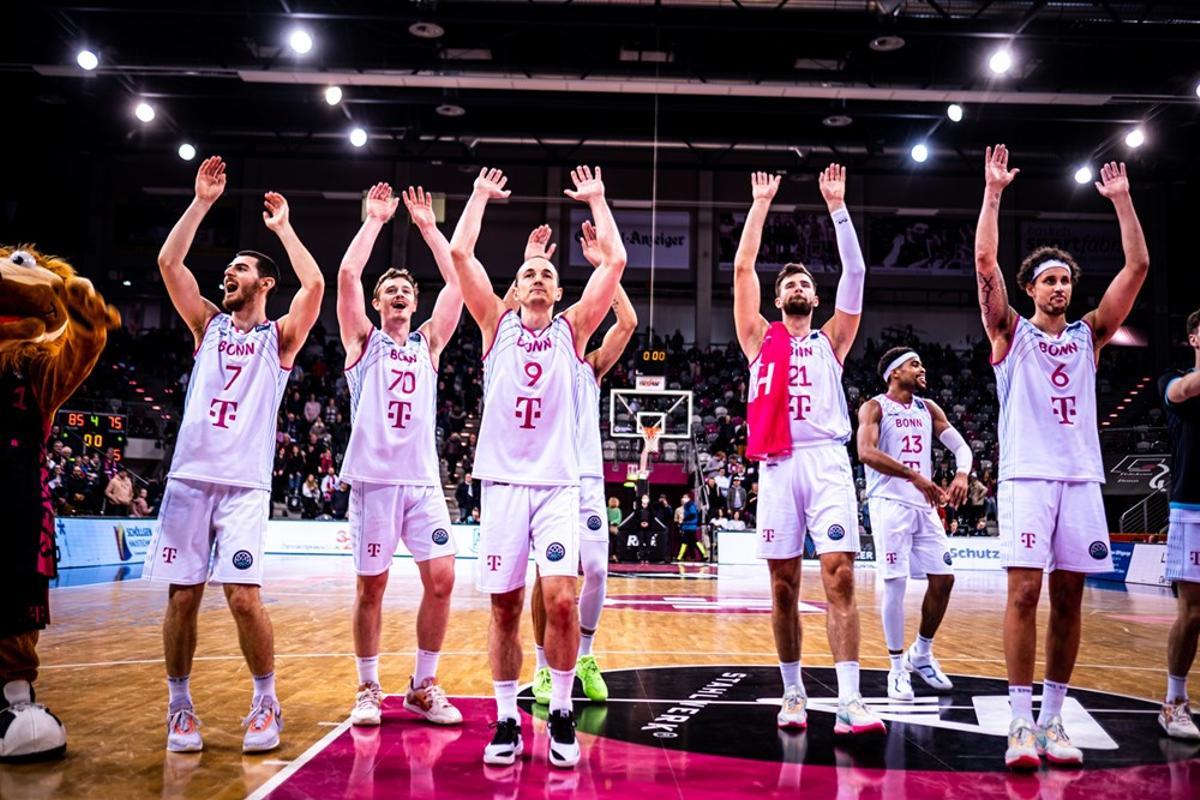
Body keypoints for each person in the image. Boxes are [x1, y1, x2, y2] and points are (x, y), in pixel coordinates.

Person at [143, 155, 325, 754]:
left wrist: (284, 230)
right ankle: (179, 708)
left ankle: (265, 701)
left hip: (245, 485)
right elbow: (170, 264)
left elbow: (316, 286)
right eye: (228, 267)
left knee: (244, 598)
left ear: (264, 283)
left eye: (240, 268)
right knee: (182, 596)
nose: (229, 273)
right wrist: (201, 203)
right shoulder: (208, 327)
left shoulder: (281, 340)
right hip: (190, 479)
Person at [974, 147, 1149, 769]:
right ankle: (1019, 721)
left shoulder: (1090, 335)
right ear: (1030, 289)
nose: (1059, 287)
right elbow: (985, 261)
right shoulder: (1009, 332)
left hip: (1080, 477)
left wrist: (1121, 201)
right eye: (1048, 279)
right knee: (1024, 595)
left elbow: (1138, 265)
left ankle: (1052, 720)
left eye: (1065, 280)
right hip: (1025, 475)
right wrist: (994, 193)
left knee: (1071, 598)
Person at [450, 166, 626, 769]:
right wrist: (477, 196)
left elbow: (614, 266)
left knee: (559, 602)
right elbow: (459, 251)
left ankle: (560, 710)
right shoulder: (493, 326)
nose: (539, 279)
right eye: (529, 273)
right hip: (502, 486)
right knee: (503, 607)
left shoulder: (574, 332)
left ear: (557, 291)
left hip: (556, 487)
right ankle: (504, 718)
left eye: (548, 273)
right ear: (516, 289)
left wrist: (598, 202)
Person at [735, 166, 884, 735]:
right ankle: (793, 691)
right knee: (783, 586)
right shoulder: (758, 340)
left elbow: (858, 270)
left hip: (825, 461)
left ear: (816, 298)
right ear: (778, 301)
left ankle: (849, 698)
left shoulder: (833, 341)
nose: (797, 289)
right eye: (789, 286)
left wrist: (838, 207)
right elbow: (744, 267)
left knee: (840, 575)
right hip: (776, 466)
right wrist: (760, 206)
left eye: (804, 286)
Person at [336, 183, 464, 728]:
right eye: (388, 288)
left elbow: (457, 282)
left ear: (414, 302)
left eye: (405, 290)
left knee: (443, 580)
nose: (397, 294)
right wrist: (375, 221)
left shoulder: (428, 345)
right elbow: (345, 277)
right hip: (374, 481)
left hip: (422, 482)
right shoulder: (362, 343)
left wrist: (431, 231)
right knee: (374, 586)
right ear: (376, 302)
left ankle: (423, 683)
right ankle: (368, 687)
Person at [0, 245, 118, 762]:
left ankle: (12, 696)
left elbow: (78, 349)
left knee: (12, 604)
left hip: (13, 501)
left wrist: (89, 324)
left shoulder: (34, 371)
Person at [529, 220, 637, 708]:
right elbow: (514, 314)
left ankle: (586, 655)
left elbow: (629, 324)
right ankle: (540, 667)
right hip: (546, 476)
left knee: (595, 569)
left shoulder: (589, 364)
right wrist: (529, 256)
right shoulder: (534, 347)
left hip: (588, 477)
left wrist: (605, 272)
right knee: (550, 578)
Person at [856, 348, 971, 702]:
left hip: (923, 506)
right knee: (895, 583)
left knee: (944, 579)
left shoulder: (927, 407)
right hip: (889, 503)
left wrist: (962, 473)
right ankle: (895, 670)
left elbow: (960, 447)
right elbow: (866, 453)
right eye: (914, 364)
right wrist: (913, 475)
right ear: (894, 373)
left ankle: (920, 653)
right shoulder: (874, 407)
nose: (922, 369)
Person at [1159, 309, 1200, 739]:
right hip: (1193, 506)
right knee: (1192, 614)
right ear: (1193, 338)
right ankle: (1174, 701)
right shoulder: (1174, 379)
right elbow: (1185, 390)